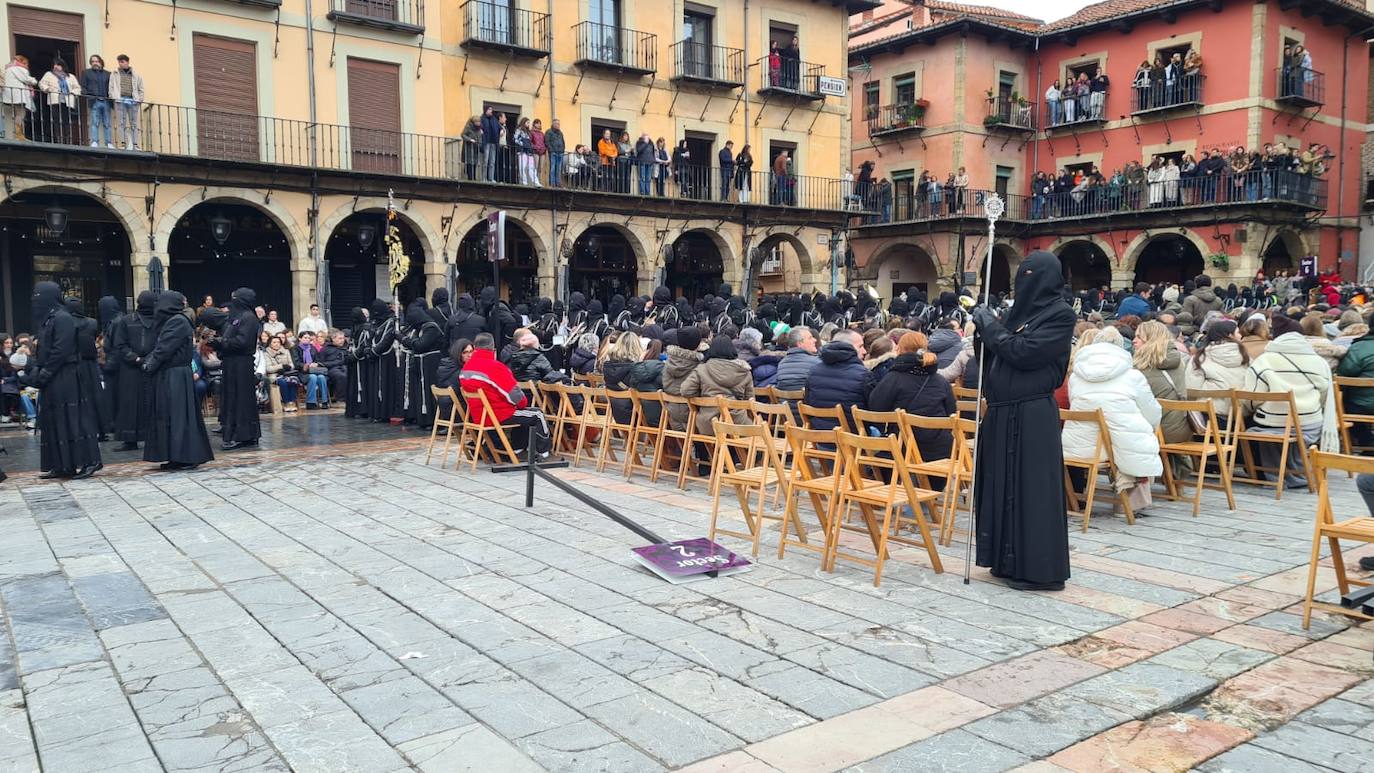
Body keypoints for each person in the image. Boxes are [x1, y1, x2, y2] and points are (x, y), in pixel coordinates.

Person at [970, 251, 1076, 591]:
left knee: (1031, 492)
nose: (1024, 281)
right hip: (1002, 413)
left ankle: (1038, 570)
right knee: (1001, 488)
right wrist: (981, 330)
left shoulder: (1059, 316)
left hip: (1031, 415)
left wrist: (991, 329)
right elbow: (995, 353)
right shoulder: (1016, 315)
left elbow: (1025, 353)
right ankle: (1005, 560)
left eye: (1033, 275)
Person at [1063, 325, 1163, 505]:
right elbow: (1152, 413)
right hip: (1117, 448)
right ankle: (1130, 504)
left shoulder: (1076, 376)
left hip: (1076, 446)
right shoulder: (1133, 376)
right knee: (1140, 436)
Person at [1244, 314, 1335, 488]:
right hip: (1310, 423)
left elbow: (1252, 397)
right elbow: (1324, 395)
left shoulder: (1264, 361)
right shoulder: (1319, 362)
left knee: (1258, 424)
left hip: (1274, 423)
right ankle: (1299, 472)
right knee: (1291, 428)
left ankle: (1274, 476)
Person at [21, 283, 101, 478]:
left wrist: (45, 373)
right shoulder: (49, 319)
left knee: (73, 420)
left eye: (39, 296)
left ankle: (90, 461)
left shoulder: (62, 318)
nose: (35, 300)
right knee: (55, 420)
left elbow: (61, 349)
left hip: (66, 376)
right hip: (54, 377)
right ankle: (63, 464)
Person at [139, 291, 214, 470]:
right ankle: (177, 456)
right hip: (173, 373)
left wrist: (147, 365)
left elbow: (164, 348)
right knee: (173, 416)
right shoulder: (175, 320)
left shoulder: (177, 321)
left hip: (175, 375)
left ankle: (187, 456)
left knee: (180, 416)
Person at [869, 332, 957, 462]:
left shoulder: (893, 378)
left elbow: (875, 408)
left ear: (901, 350)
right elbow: (951, 414)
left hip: (904, 448)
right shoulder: (940, 381)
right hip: (940, 451)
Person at [461, 333, 550, 457]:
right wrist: (521, 404)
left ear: (475, 347)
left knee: (523, 414)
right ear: (493, 348)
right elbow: (514, 395)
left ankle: (517, 448)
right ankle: (543, 452)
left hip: (479, 415)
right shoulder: (495, 367)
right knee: (537, 414)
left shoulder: (466, 368)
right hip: (498, 414)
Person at [213, 287, 263, 450]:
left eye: (235, 298)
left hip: (242, 363)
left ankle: (244, 435)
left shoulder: (248, 317)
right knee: (233, 398)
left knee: (241, 399)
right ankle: (234, 431)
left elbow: (243, 342)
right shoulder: (238, 317)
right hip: (232, 363)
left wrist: (222, 343)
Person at [681, 334, 754, 436]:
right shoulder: (744, 371)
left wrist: (701, 394)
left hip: (708, 424)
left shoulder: (702, 369)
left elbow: (685, 390)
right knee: (758, 438)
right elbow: (750, 401)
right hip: (737, 424)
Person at [1132, 320, 1192, 445]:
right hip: (1179, 428)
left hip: (1156, 431)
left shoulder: (1143, 367)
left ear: (1151, 340)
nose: (1134, 340)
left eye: (1139, 337)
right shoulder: (1177, 360)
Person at [112, 290, 158, 449]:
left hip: (152, 367)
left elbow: (162, 342)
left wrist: (151, 359)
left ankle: (152, 436)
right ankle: (129, 438)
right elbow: (120, 344)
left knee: (151, 402)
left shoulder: (160, 321)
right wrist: (135, 358)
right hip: (130, 368)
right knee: (130, 404)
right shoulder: (126, 321)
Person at [802, 328, 871, 432]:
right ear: (848, 347)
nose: (864, 351)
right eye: (860, 346)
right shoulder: (863, 375)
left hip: (821, 439)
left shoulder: (813, 372)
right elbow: (873, 412)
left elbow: (808, 403)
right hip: (855, 442)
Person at [64, 298, 107, 441]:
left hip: (73, 364)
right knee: (95, 397)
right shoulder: (92, 322)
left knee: (76, 397)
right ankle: (101, 430)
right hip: (90, 364)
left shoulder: (65, 323)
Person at [402, 299, 444, 428]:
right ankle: (423, 419)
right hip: (422, 364)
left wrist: (405, 340)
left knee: (429, 393)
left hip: (431, 364)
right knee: (421, 392)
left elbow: (421, 345)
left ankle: (432, 420)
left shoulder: (431, 327)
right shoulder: (421, 328)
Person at [368, 298, 402, 422]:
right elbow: (371, 336)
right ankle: (375, 412)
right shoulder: (374, 323)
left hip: (386, 358)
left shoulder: (391, 322)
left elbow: (387, 340)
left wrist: (374, 351)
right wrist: (369, 350)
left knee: (384, 385)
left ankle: (384, 412)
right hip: (375, 358)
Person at [37, 60, 81, 144]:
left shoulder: (70, 76)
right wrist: (47, 89)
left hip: (67, 102)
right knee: (56, 120)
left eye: (58, 65)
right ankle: (59, 140)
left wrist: (72, 92)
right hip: (55, 101)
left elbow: (77, 88)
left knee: (67, 121)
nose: (55, 66)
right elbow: (41, 83)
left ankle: (67, 140)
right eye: (54, 65)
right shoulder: (49, 74)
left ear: (63, 66)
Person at [109, 54, 144, 150]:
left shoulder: (135, 75)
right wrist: (113, 97)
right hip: (120, 101)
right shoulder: (115, 73)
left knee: (134, 123)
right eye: (119, 62)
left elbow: (141, 88)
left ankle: (135, 144)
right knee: (121, 122)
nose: (120, 64)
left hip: (133, 101)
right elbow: (111, 87)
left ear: (127, 62)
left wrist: (140, 99)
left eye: (122, 62)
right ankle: (123, 143)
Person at [81, 54, 113, 148]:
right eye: (93, 61)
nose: (95, 63)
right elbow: (83, 86)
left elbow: (111, 87)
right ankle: (95, 141)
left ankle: (109, 142)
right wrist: (88, 94)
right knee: (95, 122)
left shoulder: (108, 74)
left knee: (107, 123)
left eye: (96, 61)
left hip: (106, 101)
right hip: (94, 100)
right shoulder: (86, 73)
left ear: (101, 62)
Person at [345, 307, 371, 419]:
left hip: (361, 361)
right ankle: (354, 408)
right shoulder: (354, 327)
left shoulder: (365, 328)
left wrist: (354, 356)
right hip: (354, 362)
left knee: (362, 384)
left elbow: (364, 344)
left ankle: (363, 409)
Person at [774, 326, 820, 392]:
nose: (815, 340)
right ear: (800, 344)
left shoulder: (781, 364)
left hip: (784, 401)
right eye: (810, 338)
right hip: (807, 401)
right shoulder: (816, 363)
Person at [2, 55, 36, 141]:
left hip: (9, 95)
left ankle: (16, 135)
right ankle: (19, 134)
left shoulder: (8, 69)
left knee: (15, 115)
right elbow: (27, 79)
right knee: (20, 114)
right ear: (23, 62)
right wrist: (34, 81)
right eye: (26, 63)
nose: (27, 66)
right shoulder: (20, 69)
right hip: (18, 95)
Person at [294, 331, 329, 408]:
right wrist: (305, 365)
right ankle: (311, 402)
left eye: (309, 338)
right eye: (305, 338)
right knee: (313, 377)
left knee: (321, 377)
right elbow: (295, 363)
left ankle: (324, 401)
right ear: (300, 338)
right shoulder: (295, 348)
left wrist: (315, 364)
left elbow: (318, 360)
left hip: (314, 370)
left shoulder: (313, 348)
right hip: (302, 372)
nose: (307, 339)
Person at [318, 331, 349, 404]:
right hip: (332, 368)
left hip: (345, 367)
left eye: (343, 338)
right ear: (333, 339)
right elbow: (321, 363)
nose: (342, 340)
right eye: (340, 338)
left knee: (351, 373)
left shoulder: (346, 348)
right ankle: (341, 399)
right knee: (341, 376)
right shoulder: (325, 349)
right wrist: (337, 362)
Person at [545, 118, 565, 186]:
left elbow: (563, 142)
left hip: (560, 153)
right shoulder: (549, 131)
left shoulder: (560, 133)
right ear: (553, 124)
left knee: (559, 169)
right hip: (553, 152)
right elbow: (547, 141)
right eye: (557, 124)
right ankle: (552, 183)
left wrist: (563, 150)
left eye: (559, 124)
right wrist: (551, 150)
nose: (558, 125)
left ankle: (558, 183)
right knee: (552, 168)